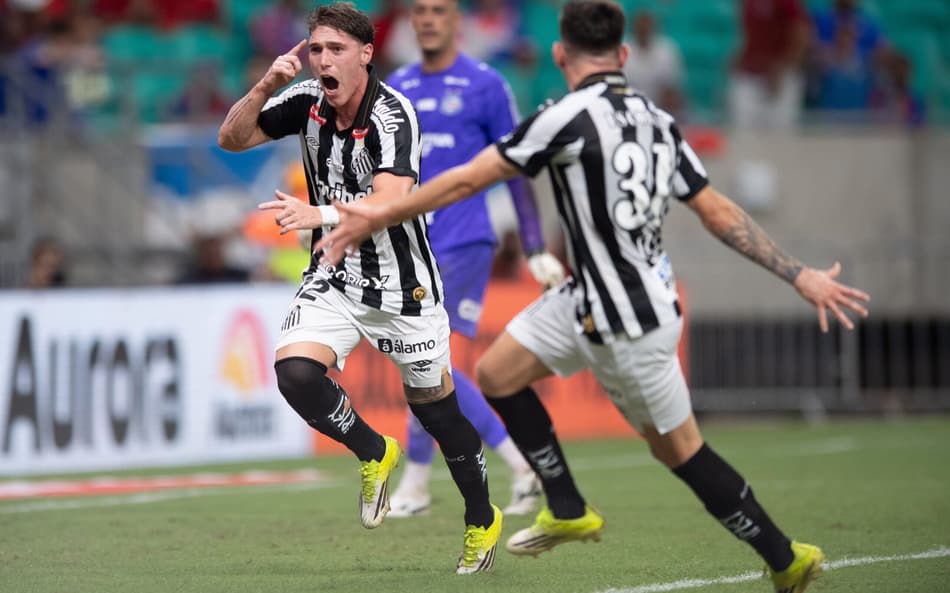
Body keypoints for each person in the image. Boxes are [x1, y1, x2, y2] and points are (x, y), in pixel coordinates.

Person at [312, 1, 871, 591]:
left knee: (680, 452)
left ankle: (783, 557)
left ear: (559, 54)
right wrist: (797, 273)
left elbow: (474, 176)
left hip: (627, 321)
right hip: (590, 298)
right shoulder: (659, 121)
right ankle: (567, 503)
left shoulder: (563, 116)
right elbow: (718, 213)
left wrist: (380, 211)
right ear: (624, 56)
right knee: (499, 372)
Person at [218, 2, 502, 575]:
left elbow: (392, 203)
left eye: (336, 50)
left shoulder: (394, 116)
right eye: (316, 50)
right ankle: (374, 451)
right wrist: (267, 84)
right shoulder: (307, 103)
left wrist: (315, 214)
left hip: (405, 290)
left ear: (366, 55)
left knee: (439, 415)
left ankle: (481, 518)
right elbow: (232, 138)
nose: (323, 60)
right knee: (295, 373)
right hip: (337, 274)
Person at [383, 0, 560, 520]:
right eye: (420, 11)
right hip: (412, 245)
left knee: (429, 360)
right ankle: (424, 482)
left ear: (457, 21)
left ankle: (510, 466)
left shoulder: (486, 84)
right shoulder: (397, 88)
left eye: (439, 10)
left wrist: (534, 245)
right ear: (412, 22)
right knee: (423, 360)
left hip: (464, 240)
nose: (429, 19)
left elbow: (518, 166)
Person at [730, 0, 810, 129]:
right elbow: (747, 33)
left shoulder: (787, 3)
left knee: (780, 135)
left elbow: (801, 34)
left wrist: (782, 69)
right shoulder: (747, 3)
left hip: (780, 77)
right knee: (744, 133)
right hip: (751, 73)